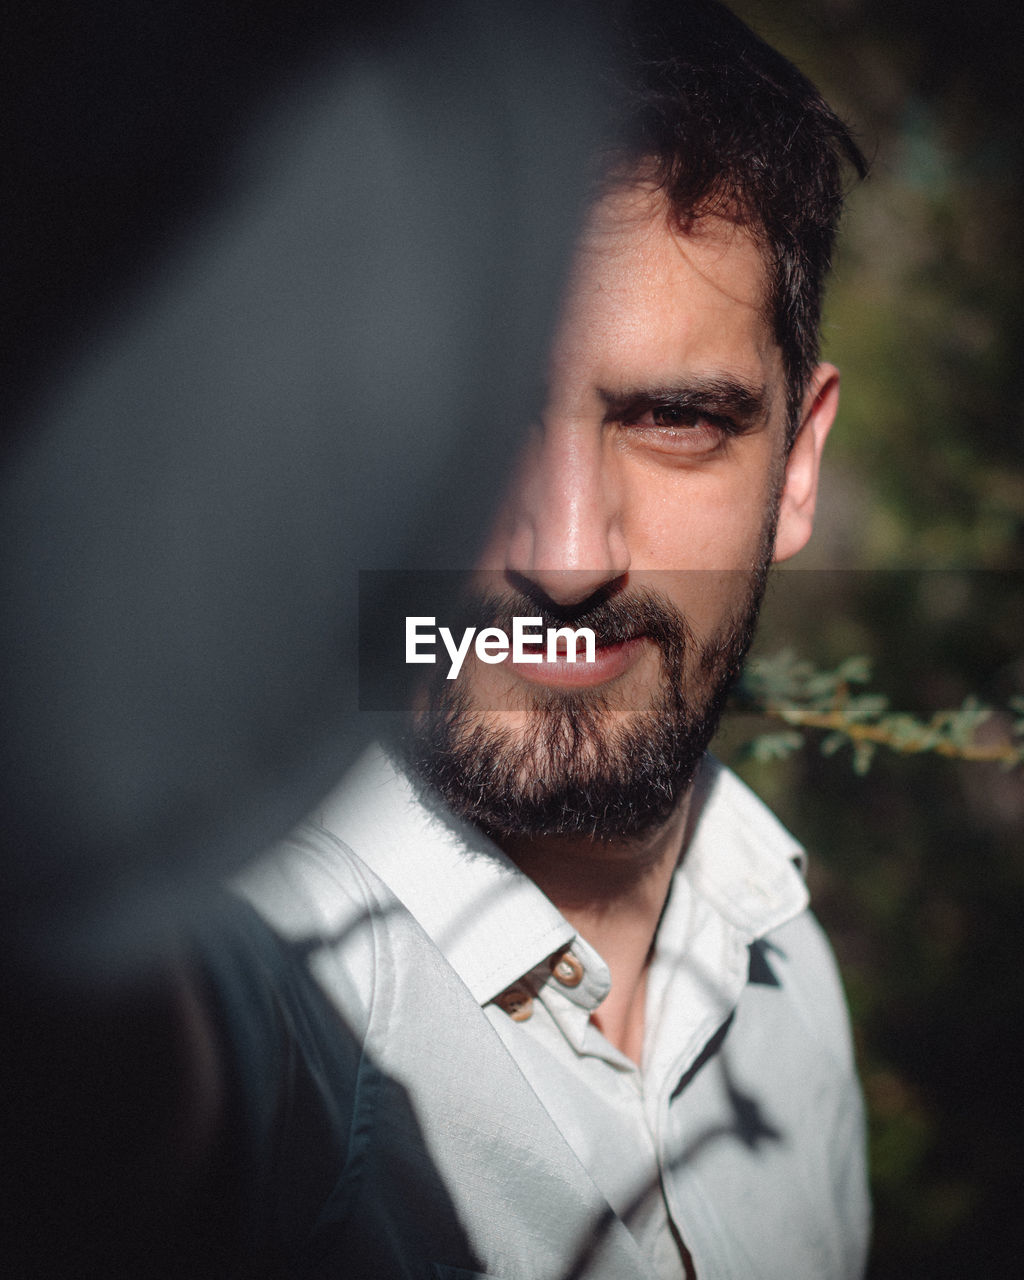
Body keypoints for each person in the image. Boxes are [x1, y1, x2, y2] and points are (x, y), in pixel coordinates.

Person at [7, 4, 869, 1278]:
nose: (566, 553)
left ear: (797, 466)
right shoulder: (257, 971)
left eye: (675, 418)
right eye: (489, 421)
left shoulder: (787, 953)